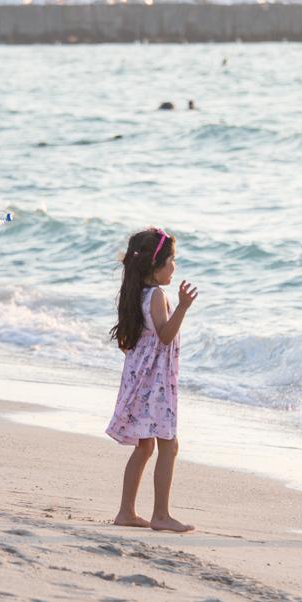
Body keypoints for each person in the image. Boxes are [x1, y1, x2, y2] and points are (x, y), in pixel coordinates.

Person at [106, 228, 198, 533]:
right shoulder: (157, 295)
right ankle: (161, 515)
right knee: (168, 446)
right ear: (154, 264)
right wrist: (182, 307)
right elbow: (165, 334)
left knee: (145, 447)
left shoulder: (135, 293)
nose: (174, 267)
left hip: (141, 379)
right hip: (155, 383)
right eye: (171, 260)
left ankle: (126, 512)